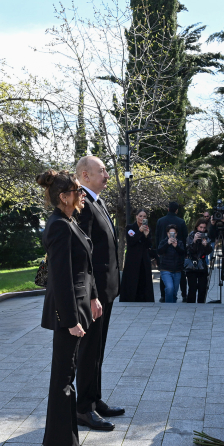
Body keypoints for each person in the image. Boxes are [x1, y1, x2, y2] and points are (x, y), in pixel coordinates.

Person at [36, 170, 103, 446]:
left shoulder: (69, 221)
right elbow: (61, 279)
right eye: (77, 190)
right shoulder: (59, 227)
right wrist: (70, 320)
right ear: (64, 197)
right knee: (62, 378)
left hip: (79, 308)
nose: (82, 194)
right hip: (68, 313)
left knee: (68, 375)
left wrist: (94, 296)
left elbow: (85, 266)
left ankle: (69, 442)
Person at [74, 155, 124, 430]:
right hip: (94, 294)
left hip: (106, 290)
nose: (106, 175)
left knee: (98, 349)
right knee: (89, 350)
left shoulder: (98, 201)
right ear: (85, 175)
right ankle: (83, 409)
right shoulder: (82, 204)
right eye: (102, 170)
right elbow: (85, 255)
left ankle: (94, 399)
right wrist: (92, 295)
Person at [120, 209, 155, 302]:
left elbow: (149, 245)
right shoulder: (130, 228)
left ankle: (144, 299)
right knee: (132, 279)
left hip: (144, 258)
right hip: (132, 259)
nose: (142, 218)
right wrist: (139, 232)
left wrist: (146, 235)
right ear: (136, 217)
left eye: (144, 216)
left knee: (144, 279)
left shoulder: (147, 229)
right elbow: (131, 242)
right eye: (140, 216)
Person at [156, 201, 188, 302]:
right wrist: (184, 251)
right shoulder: (181, 222)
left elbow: (157, 237)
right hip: (175, 251)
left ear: (168, 209)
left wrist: (158, 250)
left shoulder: (160, 221)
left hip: (165, 251)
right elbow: (185, 237)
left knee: (165, 275)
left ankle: (163, 295)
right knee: (180, 274)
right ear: (177, 210)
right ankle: (184, 294)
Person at [185, 218, 213, 303]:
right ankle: (191, 305)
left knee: (202, 288)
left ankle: (201, 304)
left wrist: (206, 245)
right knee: (192, 288)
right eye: (201, 227)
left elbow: (209, 252)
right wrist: (194, 241)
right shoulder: (191, 235)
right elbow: (189, 250)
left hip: (202, 264)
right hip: (191, 264)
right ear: (197, 227)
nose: (202, 229)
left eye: (204, 227)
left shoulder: (206, 236)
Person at [158, 224, 186, 302]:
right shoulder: (163, 242)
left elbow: (183, 253)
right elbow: (159, 251)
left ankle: (173, 305)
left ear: (176, 234)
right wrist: (167, 243)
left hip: (177, 270)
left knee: (174, 291)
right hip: (165, 269)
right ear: (167, 233)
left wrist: (176, 246)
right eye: (170, 233)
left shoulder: (179, 242)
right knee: (169, 288)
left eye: (174, 233)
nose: (172, 235)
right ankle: (168, 306)